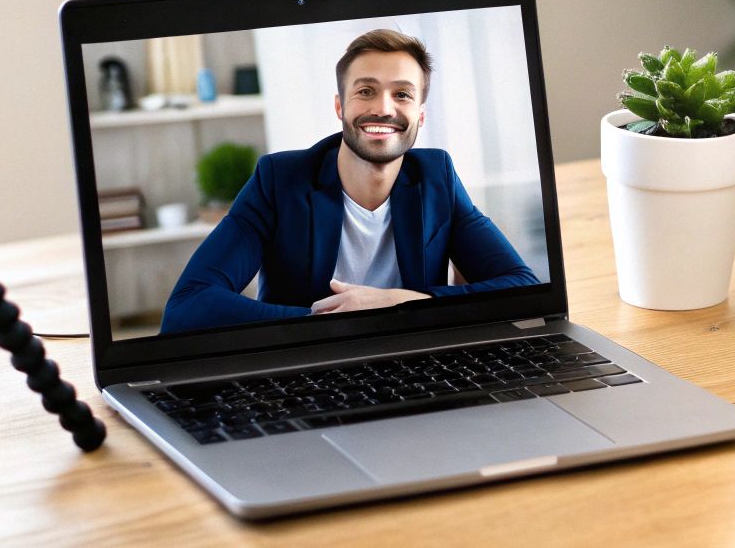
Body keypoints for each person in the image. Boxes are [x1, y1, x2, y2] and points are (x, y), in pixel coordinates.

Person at [159, 29, 538, 333]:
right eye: (365, 91)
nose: (383, 108)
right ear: (340, 106)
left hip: (412, 364)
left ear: (420, 115)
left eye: (402, 94)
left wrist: (397, 302)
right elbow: (189, 305)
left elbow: (522, 288)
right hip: (306, 368)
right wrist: (328, 322)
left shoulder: (436, 176)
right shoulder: (279, 181)